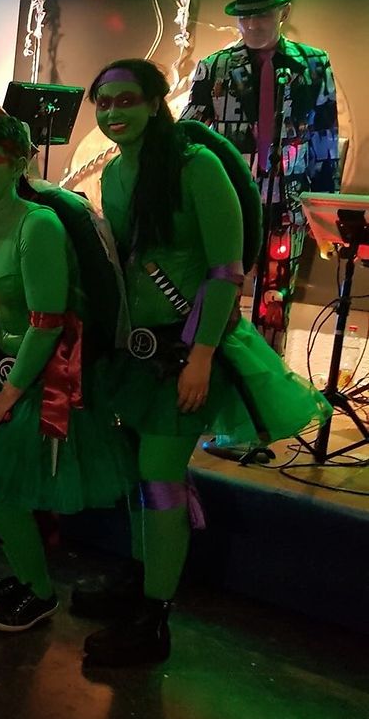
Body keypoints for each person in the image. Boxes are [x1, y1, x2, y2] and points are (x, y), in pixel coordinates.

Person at [77, 59, 329, 666]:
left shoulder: (198, 167)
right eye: (103, 102)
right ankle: (140, 583)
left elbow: (225, 271)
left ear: (156, 102)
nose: (113, 112)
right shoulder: (115, 173)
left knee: (161, 475)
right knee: (141, 473)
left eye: (126, 99)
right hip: (137, 352)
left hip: (188, 351)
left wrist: (202, 355)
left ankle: (154, 617)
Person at [0, 115, 134, 632]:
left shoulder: (37, 224)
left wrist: (7, 396)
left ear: (19, 163)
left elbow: (47, 323)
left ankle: (39, 591)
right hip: (4, 365)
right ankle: (23, 577)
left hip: (47, 374)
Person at [181, 0, 340, 351]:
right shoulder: (215, 66)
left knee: (276, 298)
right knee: (222, 287)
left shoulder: (313, 63)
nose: (252, 24)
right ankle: (219, 364)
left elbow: (325, 134)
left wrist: (326, 209)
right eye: (245, 17)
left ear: (284, 12)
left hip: (289, 198)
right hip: (230, 197)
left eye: (262, 15)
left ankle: (267, 366)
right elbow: (189, 131)